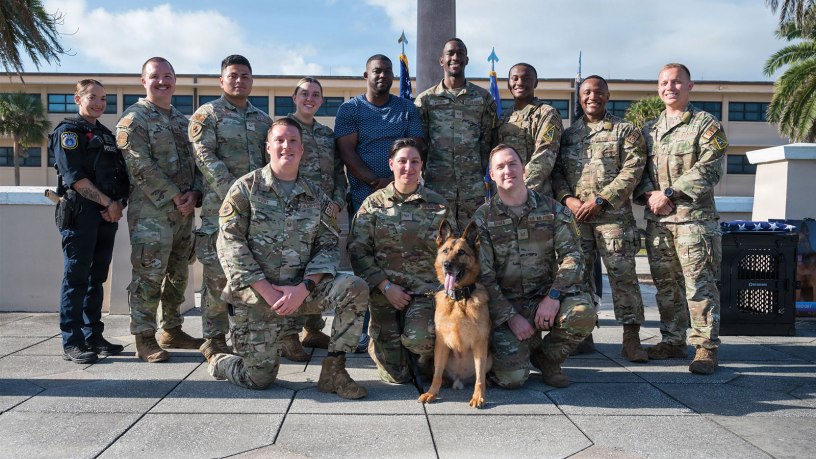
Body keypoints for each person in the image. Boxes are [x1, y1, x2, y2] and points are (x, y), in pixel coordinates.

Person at [201, 118, 369, 399]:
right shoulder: (245, 189)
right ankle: (220, 362)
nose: (286, 146)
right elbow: (230, 243)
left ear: (302, 149)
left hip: (301, 293)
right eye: (279, 140)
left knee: (354, 288)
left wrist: (303, 289)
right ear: (268, 147)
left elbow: (328, 245)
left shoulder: (316, 196)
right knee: (259, 378)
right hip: (257, 296)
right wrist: (267, 291)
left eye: (293, 141)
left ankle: (334, 371)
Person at [474, 144, 595, 388]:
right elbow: (484, 277)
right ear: (492, 175)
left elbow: (573, 256)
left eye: (512, 164)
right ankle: (519, 349)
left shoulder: (554, 210)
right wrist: (511, 318)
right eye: (500, 166)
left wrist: (553, 297)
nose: (507, 170)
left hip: (545, 298)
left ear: (524, 169)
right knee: (512, 380)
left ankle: (547, 358)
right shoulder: (483, 217)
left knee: (582, 313)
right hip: (507, 306)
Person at [634, 63, 727, 375]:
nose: (669, 87)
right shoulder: (649, 129)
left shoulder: (706, 124)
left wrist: (669, 193)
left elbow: (710, 169)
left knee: (699, 286)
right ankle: (673, 341)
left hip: (694, 222)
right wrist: (650, 195)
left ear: (690, 86)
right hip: (658, 222)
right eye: (664, 82)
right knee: (665, 285)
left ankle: (705, 348)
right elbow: (639, 172)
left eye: (676, 82)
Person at [552, 75, 649, 363]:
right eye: (586, 93)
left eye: (598, 92)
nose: (592, 96)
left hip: (613, 219)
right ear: (579, 98)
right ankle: (582, 335)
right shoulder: (569, 135)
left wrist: (600, 200)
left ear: (607, 95)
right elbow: (556, 173)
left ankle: (631, 338)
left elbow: (633, 170)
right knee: (577, 278)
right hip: (577, 219)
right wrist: (568, 199)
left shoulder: (625, 131)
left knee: (623, 279)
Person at [116, 57, 205, 363]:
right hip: (152, 213)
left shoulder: (183, 122)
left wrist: (194, 192)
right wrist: (174, 195)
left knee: (179, 273)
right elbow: (138, 164)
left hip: (182, 213)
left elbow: (198, 163)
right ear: (144, 81)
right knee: (149, 275)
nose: (162, 82)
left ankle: (172, 329)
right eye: (155, 76)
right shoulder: (133, 119)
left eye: (168, 76)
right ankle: (144, 336)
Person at [335, 54, 424, 352]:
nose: (382, 75)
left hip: (403, 198)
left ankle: (399, 323)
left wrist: (395, 184)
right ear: (366, 75)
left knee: (400, 258)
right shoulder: (351, 109)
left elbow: (414, 147)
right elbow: (346, 151)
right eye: (377, 71)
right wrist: (377, 183)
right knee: (364, 261)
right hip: (364, 199)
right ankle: (362, 329)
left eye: (387, 71)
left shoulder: (407, 108)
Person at [348, 138, 453, 383]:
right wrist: (385, 286)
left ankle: (423, 352)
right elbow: (357, 251)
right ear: (391, 164)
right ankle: (383, 343)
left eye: (414, 161)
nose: (408, 167)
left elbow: (451, 252)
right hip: (385, 293)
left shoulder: (438, 205)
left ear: (422, 165)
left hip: (425, 294)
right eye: (402, 161)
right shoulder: (373, 204)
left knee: (421, 340)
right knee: (397, 376)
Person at [189, 55, 273, 357]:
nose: (239, 81)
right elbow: (205, 158)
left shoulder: (264, 120)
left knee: (249, 275)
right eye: (233, 75)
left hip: (256, 215)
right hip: (220, 212)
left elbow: (270, 165)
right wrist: (236, 193)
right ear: (222, 80)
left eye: (245, 76)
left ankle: (245, 335)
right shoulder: (207, 115)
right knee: (216, 277)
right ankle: (213, 338)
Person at [52, 79, 130, 363]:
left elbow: (121, 176)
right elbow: (74, 178)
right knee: (76, 278)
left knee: (97, 278)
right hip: (81, 215)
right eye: (93, 97)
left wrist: (118, 204)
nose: (98, 103)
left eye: (103, 99)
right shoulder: (68, 132)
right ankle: (72, 342)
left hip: (107, 216)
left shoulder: (107, 136)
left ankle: (93, 336)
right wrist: (108, 204)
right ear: (77, 98)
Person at [279, 77, 346, 361]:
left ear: (321, 100)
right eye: (304, 93)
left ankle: (313, 328)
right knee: (293, 268)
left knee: (319, 263)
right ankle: (288, 334)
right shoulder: (284, 130)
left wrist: (339, 200)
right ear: (294, 97)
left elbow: (337, 172)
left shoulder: (325, 134)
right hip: (294, 211)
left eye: (315, 94)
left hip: (325, 212)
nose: (310, 98)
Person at [415, 38, 498, 229]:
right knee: (438, 242)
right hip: (437, 188)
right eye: (450, 53)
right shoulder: (426, 100)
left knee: (473, 244)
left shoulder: (482, 98)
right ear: (441, 60)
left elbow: (488, 141)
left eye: (460, 53)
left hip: (473, 190)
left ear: (467, 60)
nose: (455, 57)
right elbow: (421, 144)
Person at [495, 63, 562, 197]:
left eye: (526, 78)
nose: (520, 82)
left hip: (535, 196)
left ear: (535, 83)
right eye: (515, 78)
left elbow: (545, 155)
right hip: (506, 196)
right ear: (508, 84)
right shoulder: (504, 117)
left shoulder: (547, 113)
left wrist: (518, 189)